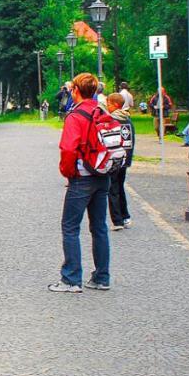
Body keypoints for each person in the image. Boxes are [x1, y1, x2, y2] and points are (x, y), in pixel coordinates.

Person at [51, 73, 111, 293]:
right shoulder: (101, 110)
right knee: (99, 227)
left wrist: (68, 173)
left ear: (75, 90)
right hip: (103, 175)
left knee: (70, 227)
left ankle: (71, 279)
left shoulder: (75, 116)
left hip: (82, 177)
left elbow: (68, 148)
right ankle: (102, 277)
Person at [105, 92, 135, 230]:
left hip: (114, 158)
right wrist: (127, 159)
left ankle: (117, 220)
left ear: (115, 105)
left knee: (113, 188)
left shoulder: (112, 120)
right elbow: (130, 142)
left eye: (109, 103)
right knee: (120, 187)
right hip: (125, 159)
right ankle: (125, 216)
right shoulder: (127, 120)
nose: (107, 106)